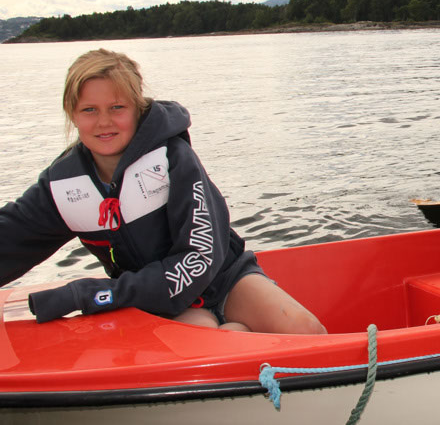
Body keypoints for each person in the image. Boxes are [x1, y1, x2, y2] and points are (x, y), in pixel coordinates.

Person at [0, 48, 326, 334]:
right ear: (72, 114)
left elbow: (201, 258)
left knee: (305, 330)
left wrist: (90, 295)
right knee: (208, 340)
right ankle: (237, 333)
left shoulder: (173, 159)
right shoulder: (63, 184)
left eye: (117, 107)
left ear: (138, 109)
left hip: (223, 277)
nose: (104, 122)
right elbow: (10, 238)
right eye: (89, 110)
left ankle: (239, 332)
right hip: (155, 296)